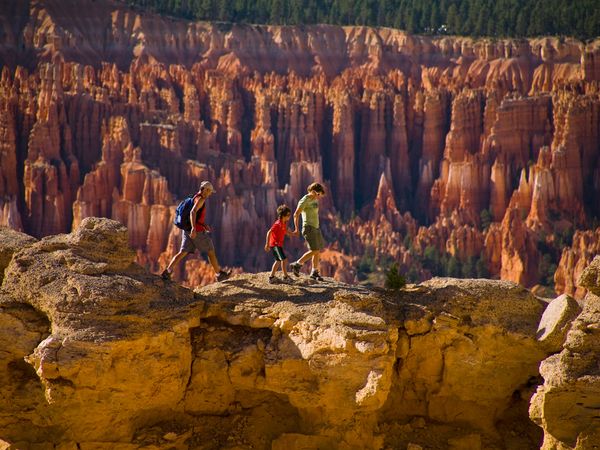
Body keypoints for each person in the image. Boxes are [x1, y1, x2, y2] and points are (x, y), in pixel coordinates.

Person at [161, 181, 231, 283]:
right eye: (210, 191)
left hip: (187, 230)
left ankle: (167, 272)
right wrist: (194, 228)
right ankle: (219, 275)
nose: (210, 194)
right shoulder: (201, 199)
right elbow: (193, 212)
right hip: (196, 232)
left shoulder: (194, 197)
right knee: (210, 250)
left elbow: (196, 215)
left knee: (182, 252)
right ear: (205, 190)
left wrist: (203, 225)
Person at [290, 182, 326, 281]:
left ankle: (314, 272)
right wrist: (296, 228)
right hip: (308, 228)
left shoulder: (315, 199)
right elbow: (296, 214)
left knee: (317, 250)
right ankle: (297, 264)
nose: (319, 197)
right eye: (318, 194)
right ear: (313, 191)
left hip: (316, 228)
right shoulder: (305, 199)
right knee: (314, 250)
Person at [264, 204, 296, 284]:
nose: (289, 216)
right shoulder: (277, 224)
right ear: (283, 215)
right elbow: (269, 232)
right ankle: (284, 277)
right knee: (283, 260)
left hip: (278, 245)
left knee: (278, 260)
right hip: (275, 245)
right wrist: (267, 244)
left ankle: (272, 277)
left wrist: (293, 234)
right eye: (288, 215)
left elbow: (285, 232)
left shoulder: (283, 223)